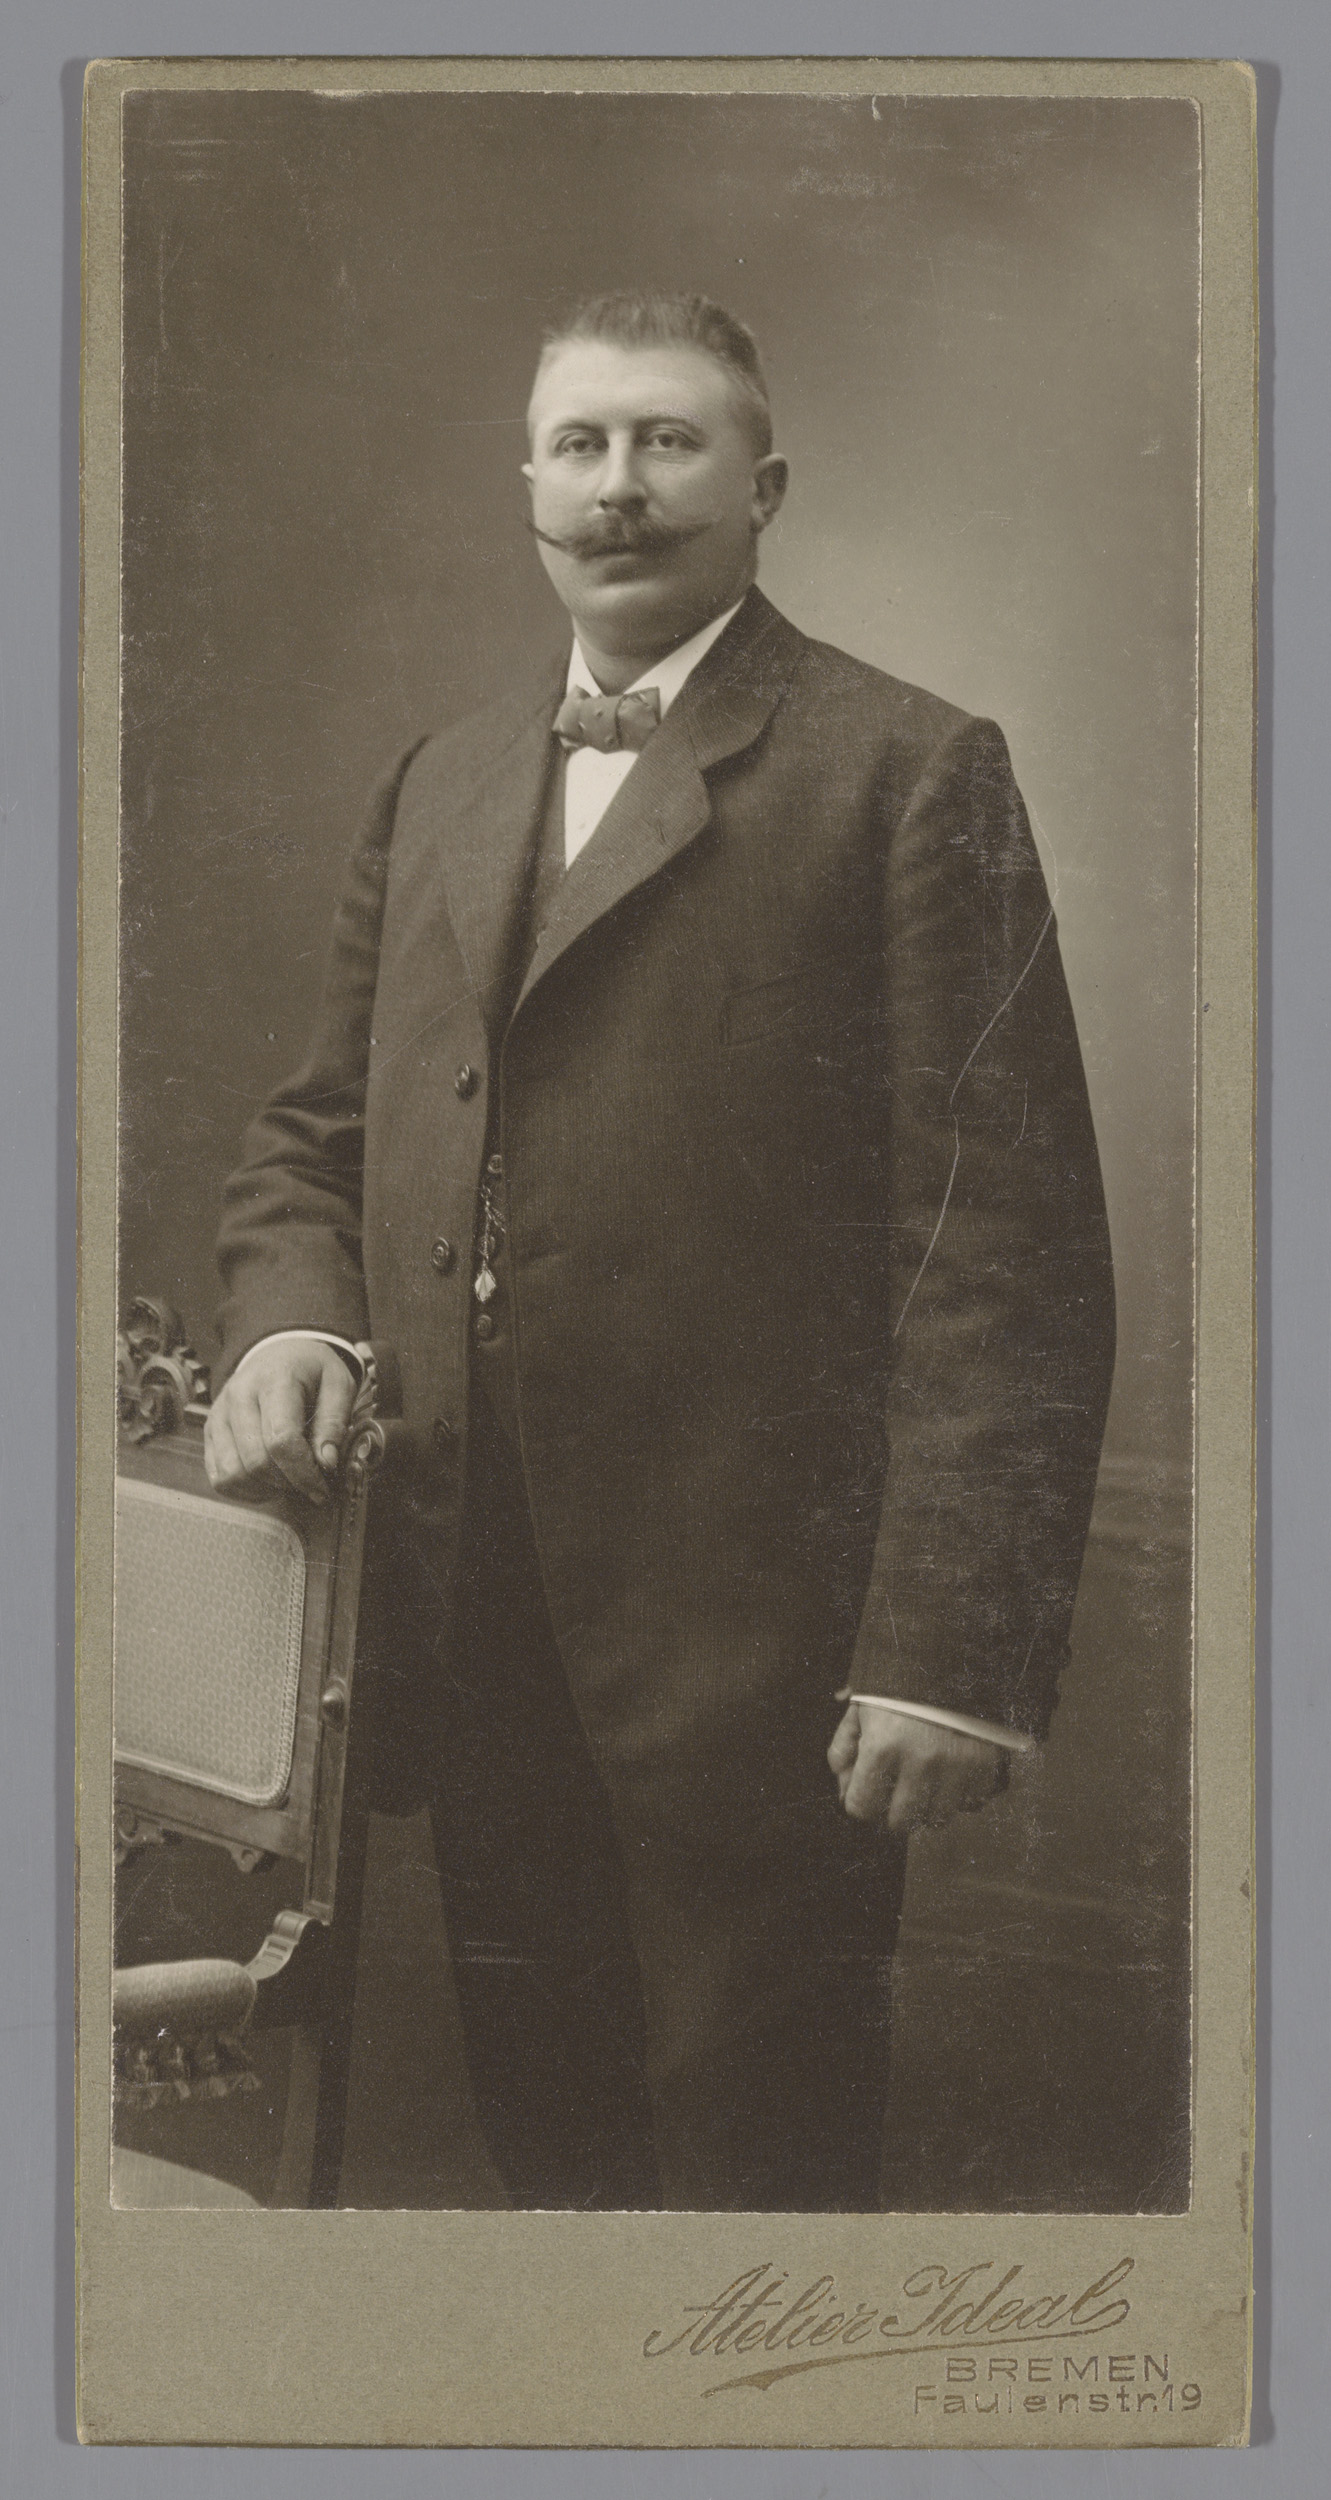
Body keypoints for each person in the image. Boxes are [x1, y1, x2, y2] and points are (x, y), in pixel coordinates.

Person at [205, 292, 1115, 2212]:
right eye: (583, 445)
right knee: (549, 2146)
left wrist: (951, 1658)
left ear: (764, 486)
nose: (619, 488)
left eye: (669, 442)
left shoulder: (907, 769)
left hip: (766, 1656)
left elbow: (1006, 1251)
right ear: (528, 487)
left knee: (753, 2175)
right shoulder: (440, 777)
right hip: (466, 1609)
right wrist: (293, 1323)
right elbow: (313, 1139)